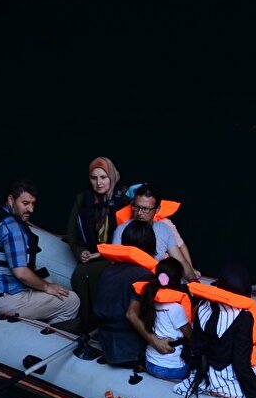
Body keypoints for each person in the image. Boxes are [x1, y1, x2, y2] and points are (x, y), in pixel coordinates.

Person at [172, 262, 256, 398]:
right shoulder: (243, 317)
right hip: (227, 383)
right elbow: (241, 364)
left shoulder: (202, 306)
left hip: (201, 377)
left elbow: (196, 347)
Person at [0, 176, 81, 330]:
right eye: (25, 203)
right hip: (2, 300)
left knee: (44, 276)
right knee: (72, 301)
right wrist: (46, 287)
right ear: (11, 199)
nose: (31, 209)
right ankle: (47, 341)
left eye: (32, 203)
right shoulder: (12, 227)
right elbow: (21, 273)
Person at [66, 156, 130, 332]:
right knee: (82, 272)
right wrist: (80, 252)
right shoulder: (83, 199)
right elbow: (72, 233)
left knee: (83, 273)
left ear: (111, 177)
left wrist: (102, 254)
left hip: (115, 257)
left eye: (103, 177)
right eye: (94, 178)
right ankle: (87, 321)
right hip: (91, 255)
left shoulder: (123, 200)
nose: (99, 183)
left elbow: (130, 240)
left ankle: (98, 322)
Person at [93, 220, 159, 366]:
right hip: (126, 349)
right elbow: (131, 314)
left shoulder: (109, 269)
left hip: (106, 340)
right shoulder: (144, 275)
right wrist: (156, 342)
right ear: (150, 245)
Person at [112, 183, 200, 282]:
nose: (140, 213)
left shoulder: (164, 229)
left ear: (157, 209)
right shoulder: (121, 230)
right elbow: (116, 267)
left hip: (158, 283)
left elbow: (180, 261)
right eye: (136, 207)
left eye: (145, 209)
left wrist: (193, 281)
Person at [127, 257, 193, 381]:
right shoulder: (176, 308)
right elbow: (190, 336)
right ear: (177, 280)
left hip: (150, 362)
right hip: (172, 369)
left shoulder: (148, 299)